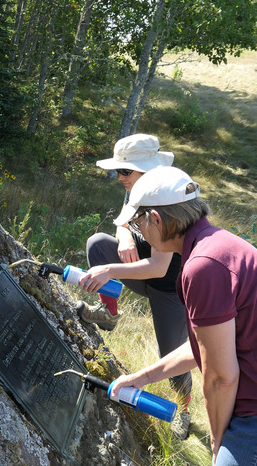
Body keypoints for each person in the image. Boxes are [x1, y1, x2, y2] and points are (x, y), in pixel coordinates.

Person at [108, 165, 257, 465]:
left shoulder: (202, 267)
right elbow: (208, 344)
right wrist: (143, 377)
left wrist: (217, 439)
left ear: (157, 219)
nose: (141, 235)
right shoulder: (219, 243)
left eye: (138, 224)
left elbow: (220, 379)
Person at [76, 134, 192, 439]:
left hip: (169, 290)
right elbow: (122, 219)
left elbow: (158, 266)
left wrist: (111, 269)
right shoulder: (138, 187)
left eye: (125, 171)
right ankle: (108, 312)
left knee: (173, 357)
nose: (119, 178)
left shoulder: (166, 198)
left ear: (147, 169)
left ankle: (185, 410)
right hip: (144, 275)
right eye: (118, 172)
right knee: (98, 245)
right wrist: (125, 234)